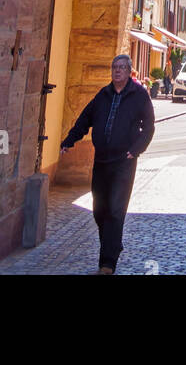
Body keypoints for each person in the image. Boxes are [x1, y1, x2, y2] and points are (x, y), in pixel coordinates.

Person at [60, 55, 155, 274]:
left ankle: (107, 263)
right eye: (114, 67)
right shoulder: (103, 95)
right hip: (102, 160)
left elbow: (149, 128)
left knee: (115, 209)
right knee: (99, 209)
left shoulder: (139, 95)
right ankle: (113, 243)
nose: (117, 71)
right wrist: (69, 141)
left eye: (122, 67)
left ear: (129, 71)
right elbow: (85, 120)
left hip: (124, 162)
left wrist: (136, 150)